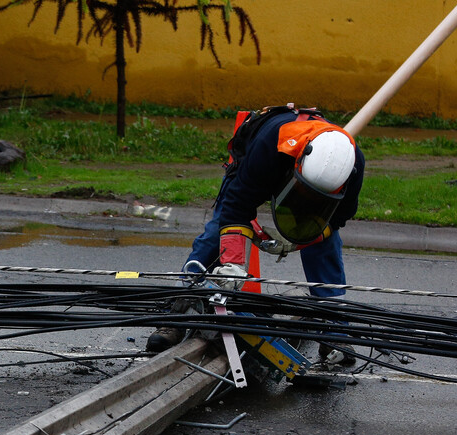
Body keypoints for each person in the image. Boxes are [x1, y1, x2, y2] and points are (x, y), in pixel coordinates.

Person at [147, 104, 365, 364]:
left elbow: (339, 217)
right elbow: (236, 209)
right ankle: (176, 315)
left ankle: (335, 333)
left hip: (304, 177)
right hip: (262, 160)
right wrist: (233, 266)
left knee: (325, 244)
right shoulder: (267, 147)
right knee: (215, 234)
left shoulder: (354, 163)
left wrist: (300, 241)